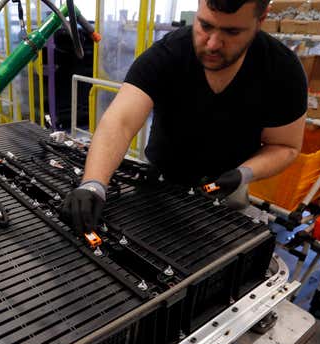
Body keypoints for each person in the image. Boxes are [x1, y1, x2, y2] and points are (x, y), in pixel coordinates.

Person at [62, 0, 307, 234]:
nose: (212, 44)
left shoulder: (281, 70)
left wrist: (244, 173)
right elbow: (120, 122)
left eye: (232, 32)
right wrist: (93, 183)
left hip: (227, 193)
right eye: (205, 25)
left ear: (261, 19)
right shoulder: (167, 54)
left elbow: (285, 145)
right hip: (159, 184)